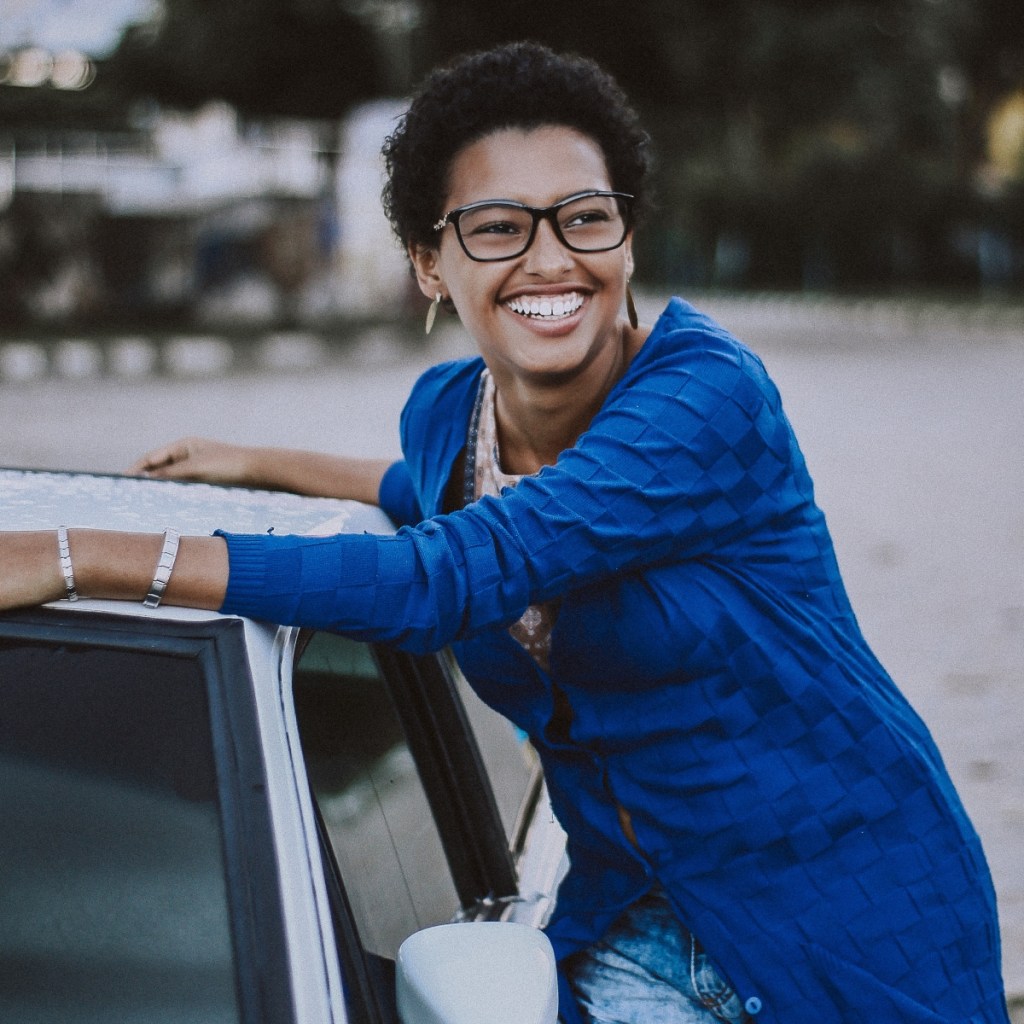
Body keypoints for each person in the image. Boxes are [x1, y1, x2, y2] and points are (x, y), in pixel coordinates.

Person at [0, 42, 1011, 1024]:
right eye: (495, 226)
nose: (549, 257)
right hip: (634, 920)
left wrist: (75, 554)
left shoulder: (707, 399)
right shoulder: (446, 417)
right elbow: (440, 494)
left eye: (584, 217)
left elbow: (449, 573)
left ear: (626, 237)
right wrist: (260, 459)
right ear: (427, 262)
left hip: (852, 909)